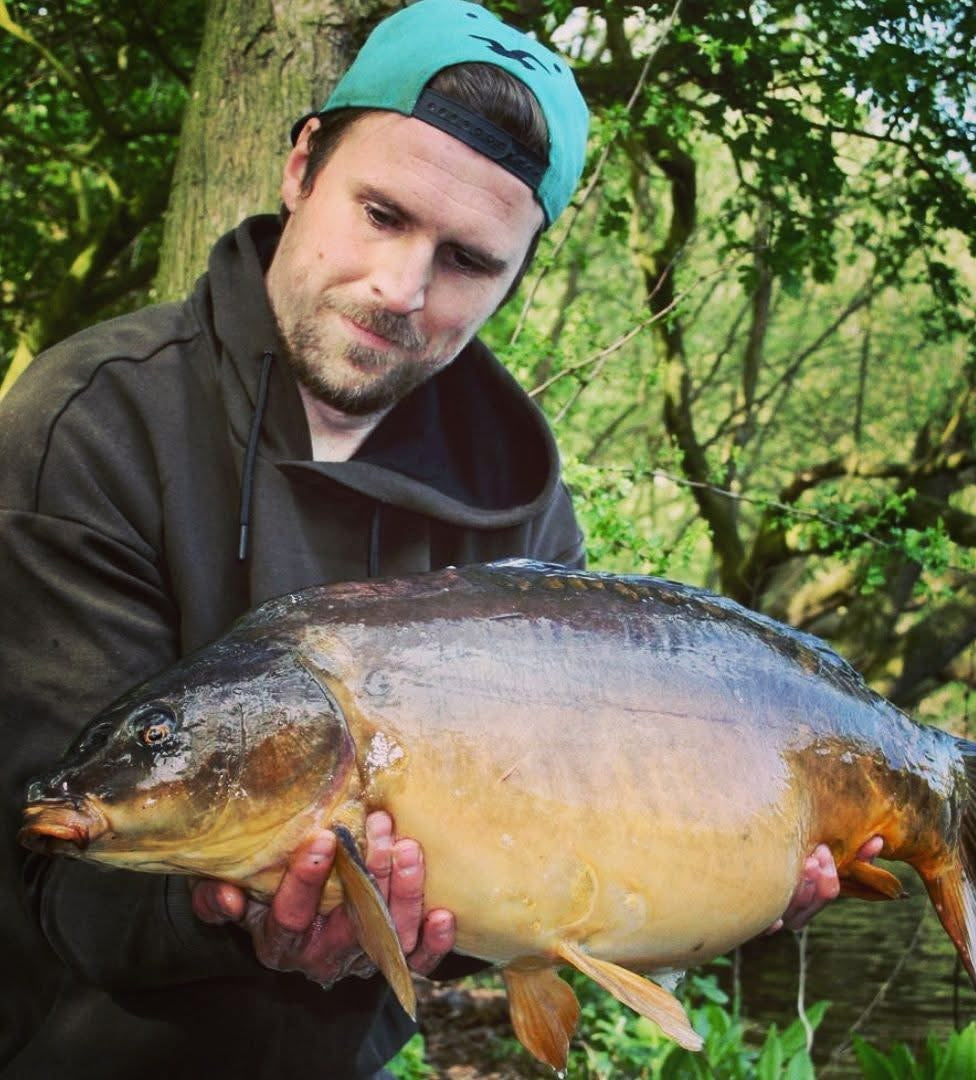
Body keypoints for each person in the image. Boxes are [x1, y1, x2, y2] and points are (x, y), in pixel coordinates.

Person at [0, 1, 874, 1075]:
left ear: (518, 275)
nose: (401, 289)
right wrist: (234, 919)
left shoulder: (523, 509)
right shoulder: (86, 425)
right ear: (303, 163)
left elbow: (526, 893)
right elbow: (48, 879)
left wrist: (733, 878)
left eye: (466, 259)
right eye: (381, 213)